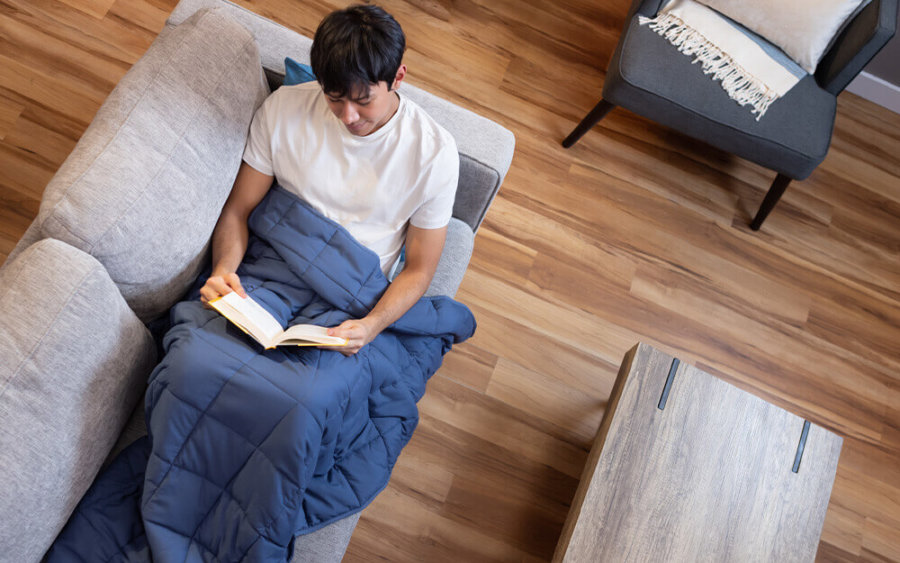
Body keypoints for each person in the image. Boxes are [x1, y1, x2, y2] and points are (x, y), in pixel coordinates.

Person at [198, 4, 459, 355]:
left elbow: (419, 269)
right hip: (268, 271)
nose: (348, 116)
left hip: (350, 298)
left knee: (309, 400)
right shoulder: (283, 109)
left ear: (397, 78)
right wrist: (223, 271)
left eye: (363, 100)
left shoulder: (434, 154)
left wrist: (371, 325)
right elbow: (238, 210)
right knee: (199, 358)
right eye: (334, 98)